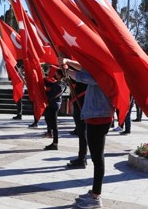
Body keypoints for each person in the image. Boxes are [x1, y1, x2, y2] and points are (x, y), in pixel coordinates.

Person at [61, 58, 114, 208]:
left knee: (98, 158)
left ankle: (96, 197)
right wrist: (67, 61)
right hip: (96, 116)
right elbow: (84, 68)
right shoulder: (100, 67)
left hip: (99, 117)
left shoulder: (105, 71)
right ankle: (95, 192)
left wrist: (67, 70)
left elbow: (85, 77)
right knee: (97, 158)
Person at [67, 75, 88, 169]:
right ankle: (82, 157)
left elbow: (77, 77)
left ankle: (82, 159)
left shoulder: (84, 79)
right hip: (80, 107)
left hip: (82, 108)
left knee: (82, 134)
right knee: (82, 134)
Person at [44, 69, 66, 150]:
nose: (55, 75)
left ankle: (55, 143)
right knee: (47, 118)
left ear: (60, 75)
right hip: (52, 104)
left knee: (54, 124)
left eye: (56, 74)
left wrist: (50, 84)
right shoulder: (57, 83)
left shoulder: (62, 84)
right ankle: (50, 133)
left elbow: (58, 89)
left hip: (55, 105)